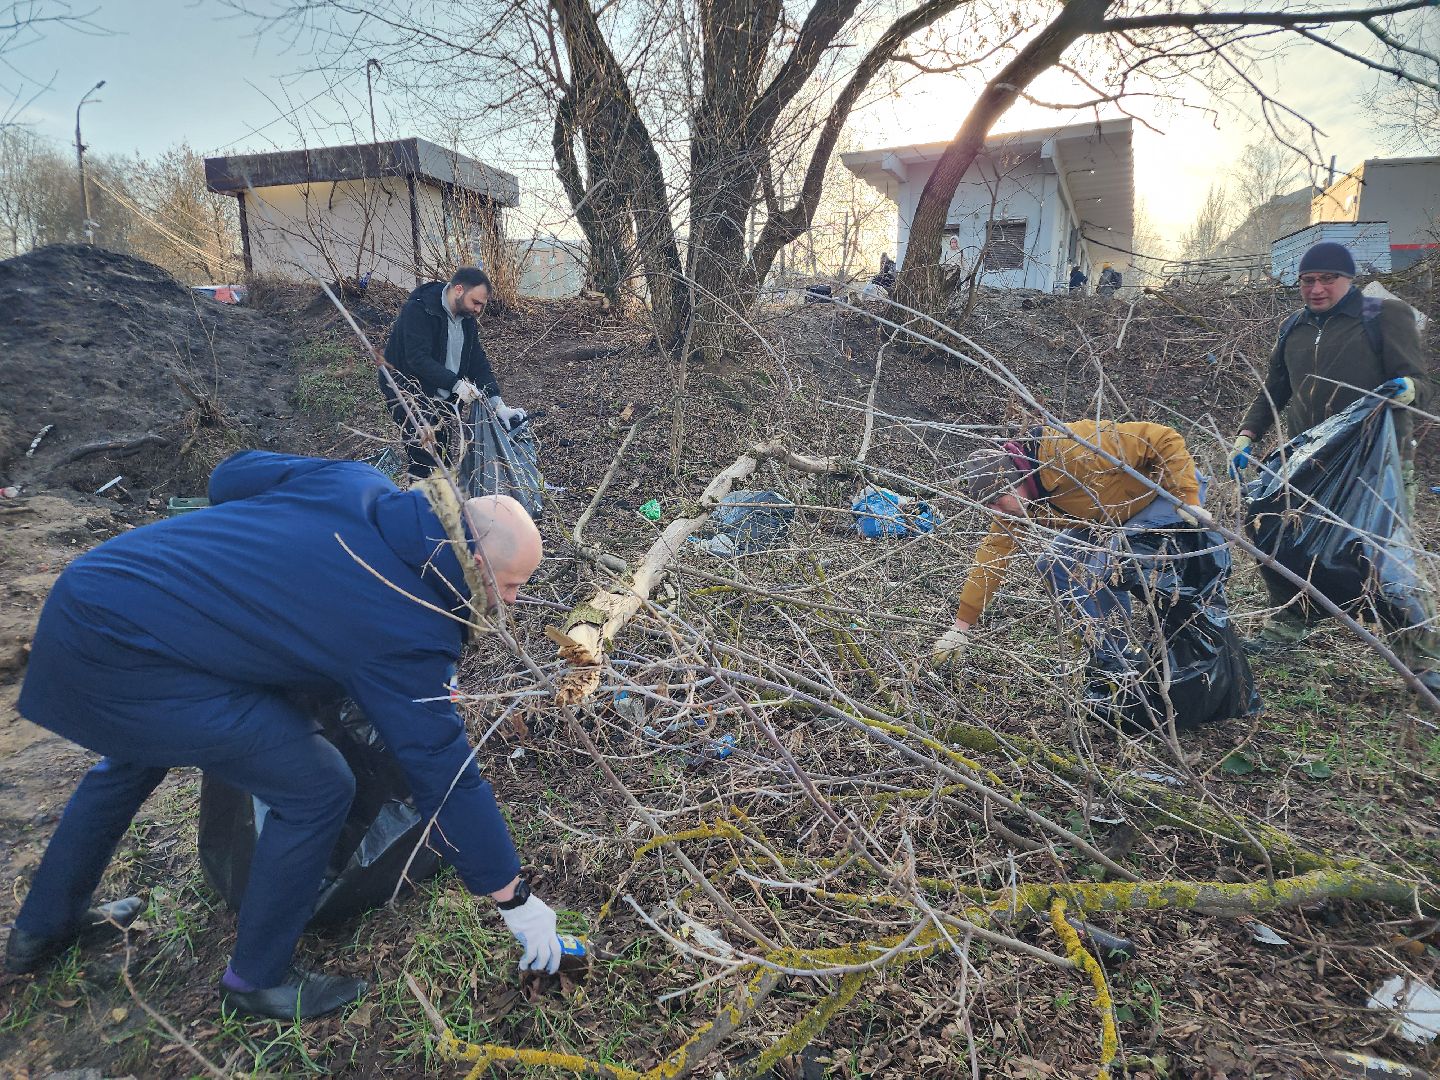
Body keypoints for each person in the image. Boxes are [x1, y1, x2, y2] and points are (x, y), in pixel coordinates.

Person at [4, 451, 562, 1020]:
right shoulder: (407, 624)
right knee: (317, 788)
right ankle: (257, 980)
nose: (513, 602)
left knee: (132, 756)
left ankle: (42, 928)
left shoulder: (353, 478)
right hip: (133, 650)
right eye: (512, 585)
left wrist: (265, 563)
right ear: (472, 558)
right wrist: (513, 898)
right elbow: (443, 771)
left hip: (98, 591)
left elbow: (227, 476)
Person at [1229, 241, 1438, 679]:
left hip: (1376, 463)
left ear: (1349, 280)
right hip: (1312, 459)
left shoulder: (1383, 317)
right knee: (1285, 537)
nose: (1317, 289)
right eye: (1309, 280)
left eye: (1328, 279)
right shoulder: (1295, 328)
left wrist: (1408, 390)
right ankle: (1292, 621)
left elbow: (1422, 382)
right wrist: (1247, 436)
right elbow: (1275, 389)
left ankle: (1421, 656)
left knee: (1382, 557)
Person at [929, 420, 1206, 668]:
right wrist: (961, 626)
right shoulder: (1016, 505)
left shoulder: (1072, 451)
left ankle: (1129, 652)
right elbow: (992, 557)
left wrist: (1187, 497)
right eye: (989, 507)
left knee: (1107, 568)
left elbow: (1162, 438)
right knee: (1052, 564)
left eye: (997, 502)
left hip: (1166, 494)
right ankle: (1111, 653)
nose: (996, 512)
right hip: (1108, 517)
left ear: (1014, 482)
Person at [381, 266, 528, 480]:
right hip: (409, 395)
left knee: (443, 461)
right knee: (424, 462)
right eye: (476, 302)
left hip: (442, 398)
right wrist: (456, 384)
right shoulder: (419, 310)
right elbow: (417, 359)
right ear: (458, 289)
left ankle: (445, 508)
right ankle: (422, 508)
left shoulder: (466, 319)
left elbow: (476, 361)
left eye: (482, 305)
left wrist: (498, 404)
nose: (478, 310)